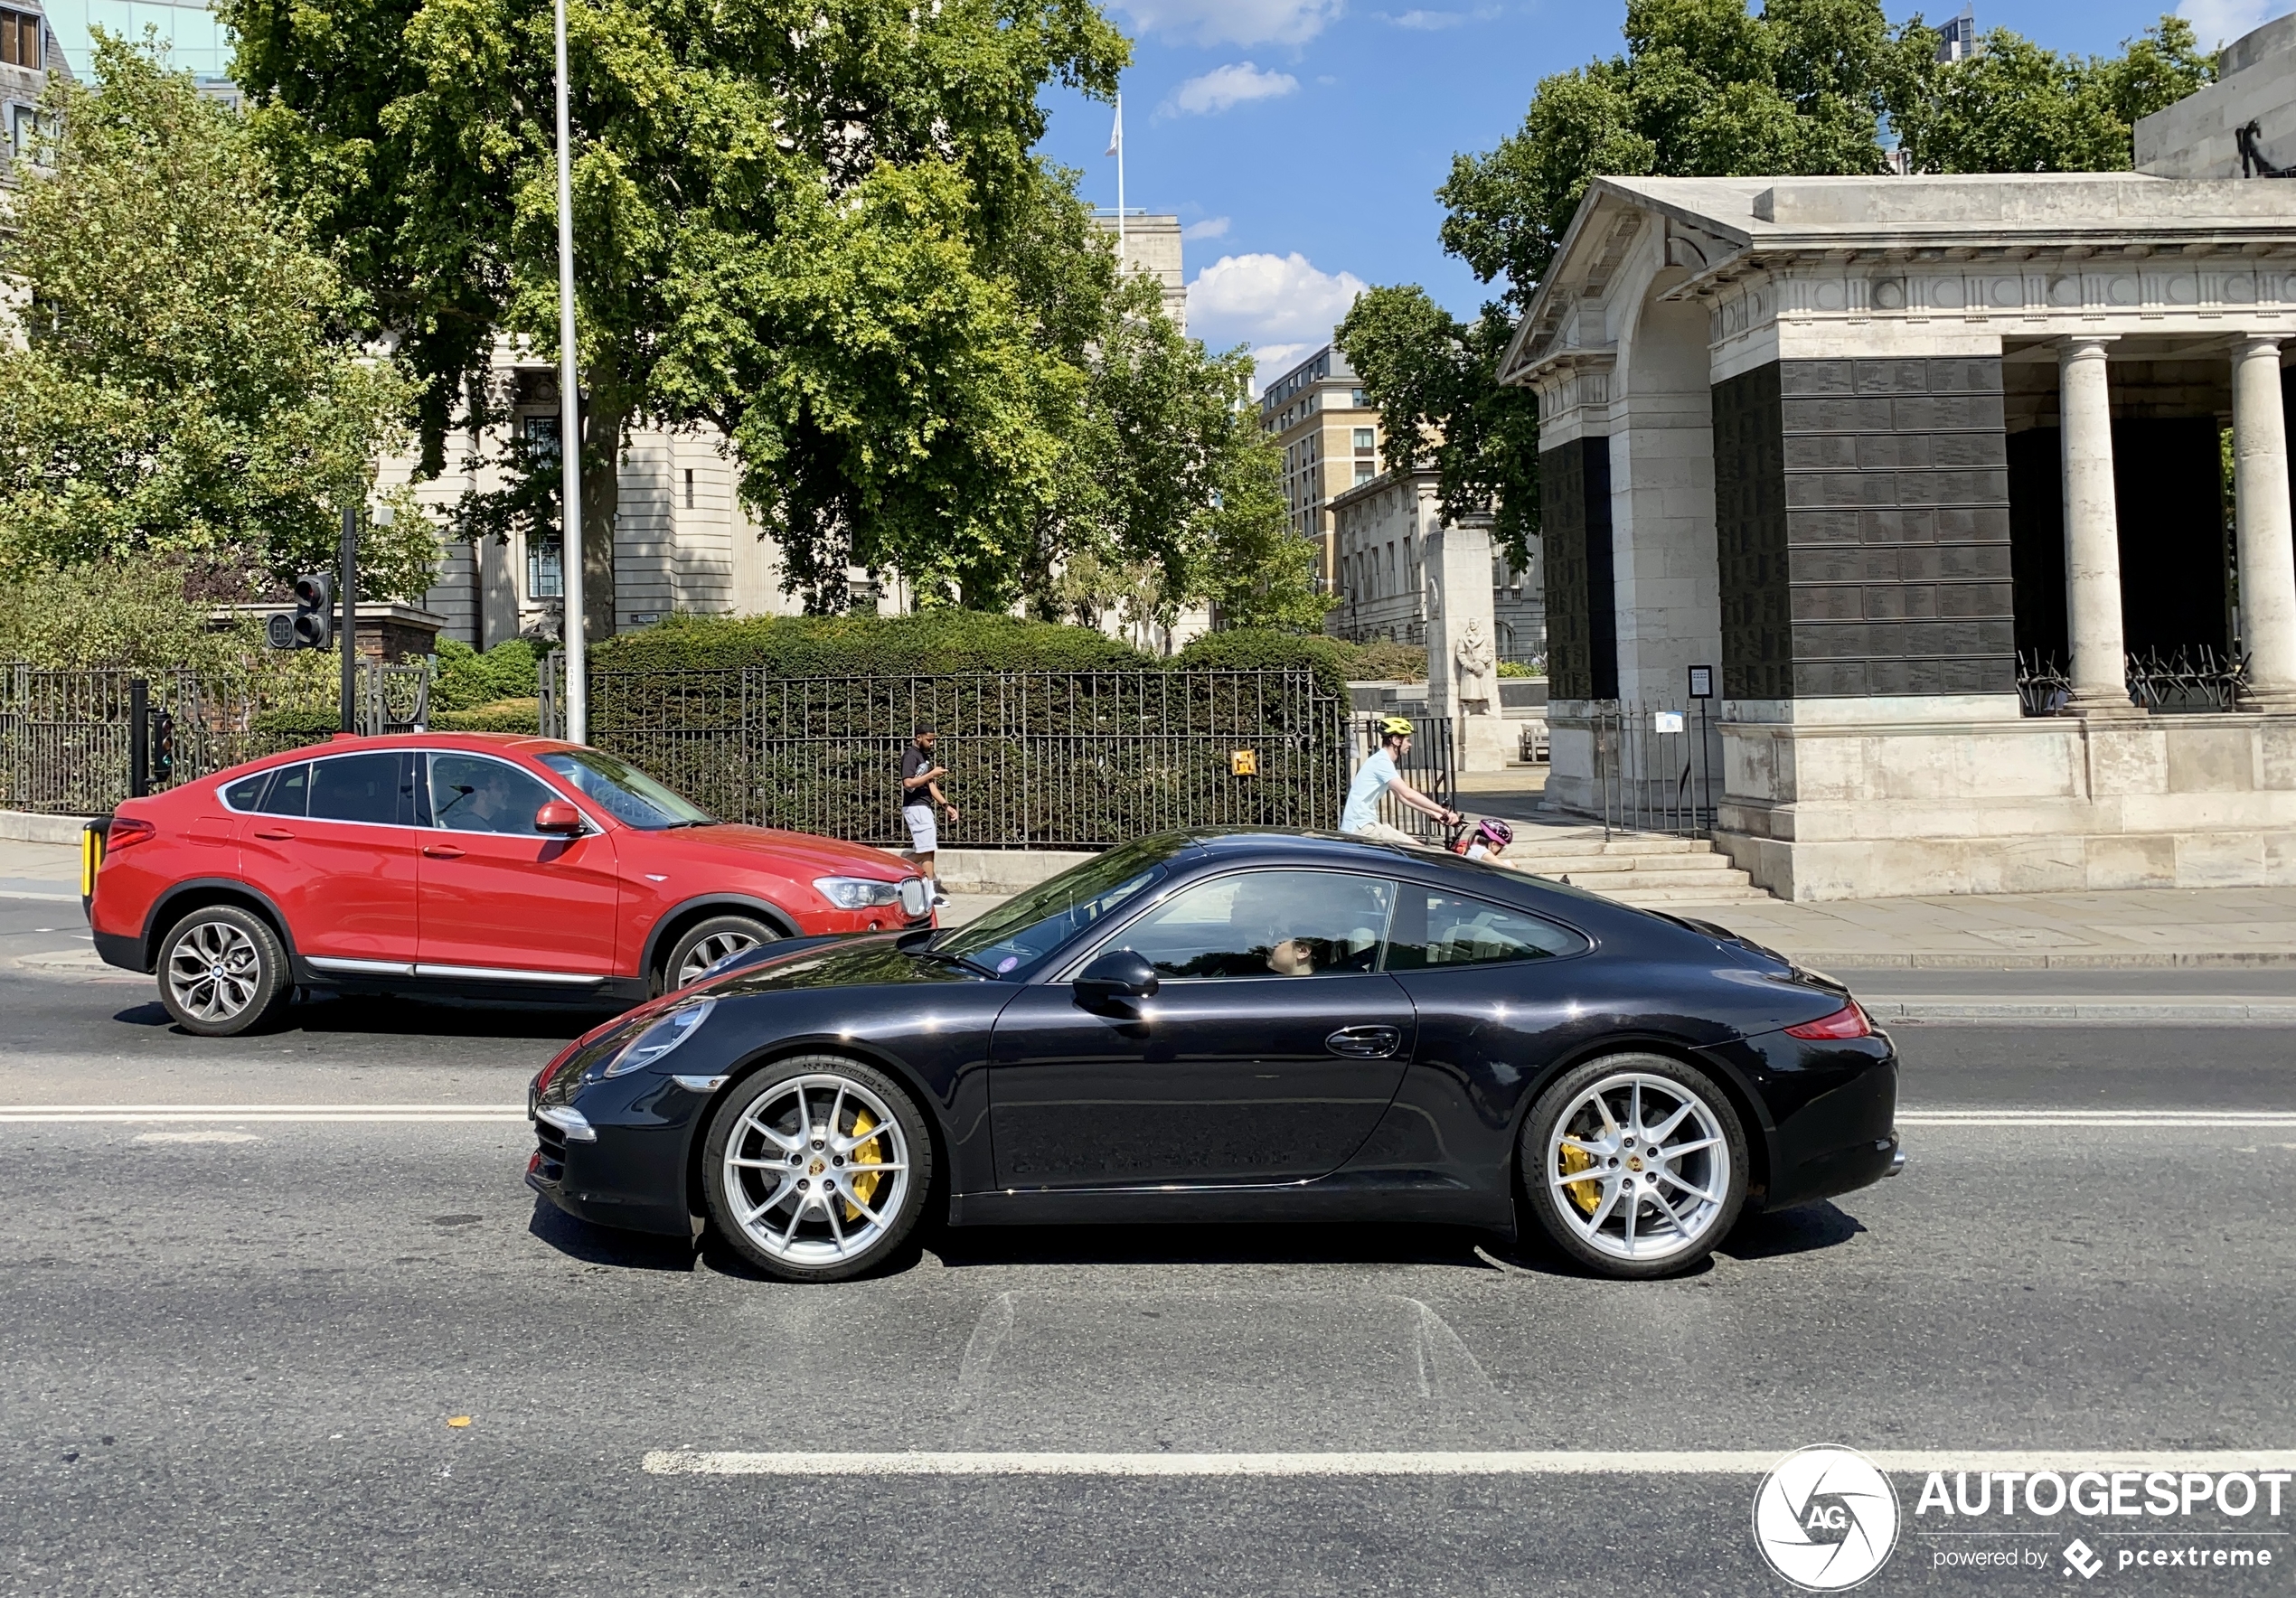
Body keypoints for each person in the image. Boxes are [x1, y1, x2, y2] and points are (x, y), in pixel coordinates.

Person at [1341, 716, 1460, 845]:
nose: (1410, 744)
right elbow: (1407, 793)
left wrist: (1434, 813)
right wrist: (1443, 811)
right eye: (1407, 740)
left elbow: (1401, 798)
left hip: (1361, 825)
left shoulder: (1381, 760)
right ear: (1396, 740)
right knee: (1417, 850)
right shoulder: (1381, 761)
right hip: (1362, 827)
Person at [900, 727, 959, 907]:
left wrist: (946, 805)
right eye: (929, 739)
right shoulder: (911, 756)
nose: (932, 743)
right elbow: (908, 782)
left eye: (934, 740)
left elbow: (931, 785)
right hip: (915, 807)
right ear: (918, 737)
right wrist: (931, 773)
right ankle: (929, 894)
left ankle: (901, 871)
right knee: (927, 850)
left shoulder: (924, 757)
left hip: (923, 807)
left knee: (927, 850)